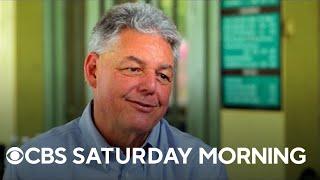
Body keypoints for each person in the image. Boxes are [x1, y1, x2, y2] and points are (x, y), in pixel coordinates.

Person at [4, 3, 227, 179]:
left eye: (163, 75)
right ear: (93, 71)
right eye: (133, 69)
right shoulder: (31, 167)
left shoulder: (201, 167)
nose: (151, 87)